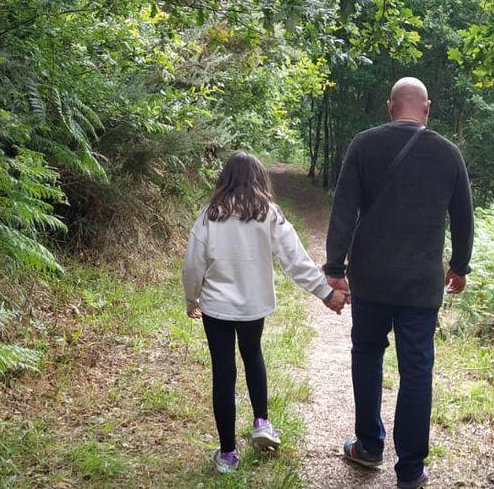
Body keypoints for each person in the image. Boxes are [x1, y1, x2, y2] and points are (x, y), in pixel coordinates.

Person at [324, 76, 474, 489]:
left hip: (370, 280)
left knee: (368, 357)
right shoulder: (448, 154)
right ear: (427, 109)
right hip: (420, 286)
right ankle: (409, 470)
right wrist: (459, 265)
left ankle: (369, 446)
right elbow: (463, 217)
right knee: (417, 372)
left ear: (391, 107)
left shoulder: (364, 144)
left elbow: (343, 209)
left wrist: (335, 267)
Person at [182, 151, 347, 474]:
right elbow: (295, 260)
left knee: (223, 372)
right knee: (253, 354)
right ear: (259, 178)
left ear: (224, 179)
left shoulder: (209, 215)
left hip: (216, 308)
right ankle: (261, 422)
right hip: (252, 307)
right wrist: (326, 293)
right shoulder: (268, 214)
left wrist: (192, 299)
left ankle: (228, 454)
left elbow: (192, 265)